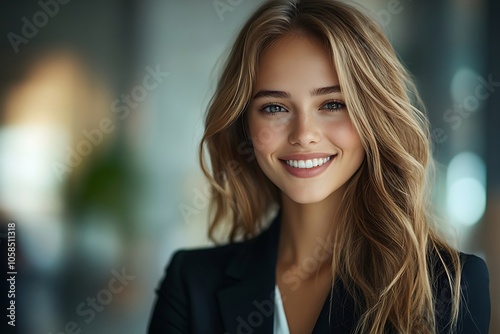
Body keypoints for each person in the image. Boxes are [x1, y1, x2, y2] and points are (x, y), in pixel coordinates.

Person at [148, 0, 491, 333]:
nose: (304, 135)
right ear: (244, 125)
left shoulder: (449, 286)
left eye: (332, 103)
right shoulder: (191, 282)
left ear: (374, 116)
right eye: (274, 108)